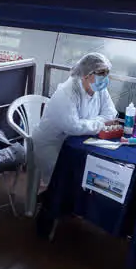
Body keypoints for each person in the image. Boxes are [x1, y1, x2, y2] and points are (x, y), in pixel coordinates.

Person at [32, 52, 118, 185]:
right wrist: (101, 123)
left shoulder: (100, 89)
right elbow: (72, 127)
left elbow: (111, 113)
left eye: (106, 74)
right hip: (52, 144)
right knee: (67, 179)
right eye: (100, 74)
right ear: (85, 75)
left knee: (92, 172)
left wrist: (91, 124)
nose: (105, 78)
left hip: (80, 141)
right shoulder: (67, 92)